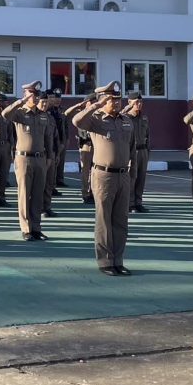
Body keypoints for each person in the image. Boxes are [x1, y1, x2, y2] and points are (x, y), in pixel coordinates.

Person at [72, 81, 136, 276]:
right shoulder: (96, 120)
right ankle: (106, 262)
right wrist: (96, 106)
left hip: (123, 175)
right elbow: (76, 121)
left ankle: (118, 260)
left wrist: (131, 173)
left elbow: (131, 147)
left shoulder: (126, 120)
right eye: (110, 100)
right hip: (103, 175)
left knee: (121, 221)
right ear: (102, 101)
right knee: (104, 221)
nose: (115, 103)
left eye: (118, 99)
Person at [3, 81, 53, 241]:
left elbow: (48, 138)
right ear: (25, 95)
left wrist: (50, 157)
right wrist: (21, 102)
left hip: (40, 158)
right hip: (23, 158)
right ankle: (26, 229)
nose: (36, 98)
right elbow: (5, 114)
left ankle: (36, 228)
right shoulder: (19, 113)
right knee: (24, 194)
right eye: (32, 95)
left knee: (38, 194)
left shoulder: (43, 115)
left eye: (37, 95)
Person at [64, 97, 95, 205]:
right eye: (91, 102)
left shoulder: (97, 113)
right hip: (86, 145)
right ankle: (85, 194)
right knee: (86, 171)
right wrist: (78, 105)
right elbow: (67, 114)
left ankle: (93, 193)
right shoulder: (80, 113)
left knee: (95, 172)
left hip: (97, 146)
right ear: (86, 103)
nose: (93, 104)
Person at [127, 91, 151, 213]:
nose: (139, 104)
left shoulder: (144, 118)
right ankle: (130, 203)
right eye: (136, 102)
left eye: (141, 102)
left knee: (141, 178)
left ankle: (138, 202)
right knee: (131, 178)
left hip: (143, 151)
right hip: (132, 152)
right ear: (129, 103)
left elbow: (148, 136)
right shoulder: (126, 118)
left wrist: (147, 152)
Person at [42, 89, 63, 217]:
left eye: (48, 100)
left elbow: (56, 137)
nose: (47, 103)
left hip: (52, 154)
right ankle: (39, 208)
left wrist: (57, 153)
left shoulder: (51, 117)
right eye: (44, 101)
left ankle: (47, 206)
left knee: (49, 183)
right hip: (40, 155)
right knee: (40, 184)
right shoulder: (34, 116)